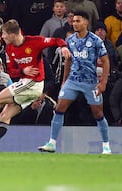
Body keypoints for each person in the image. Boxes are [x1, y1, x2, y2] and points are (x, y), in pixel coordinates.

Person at [0, 19, 70, 154]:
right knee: (5, 114)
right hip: (25, 82)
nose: (2, 37)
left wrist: (64, 46)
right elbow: (11, 71)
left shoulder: (34, 41)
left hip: (34, 83)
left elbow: (56, 40)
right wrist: (23, 71)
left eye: (3, 34)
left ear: (13, 34)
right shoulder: (9, 48)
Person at [38, 10, 111, 154]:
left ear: (86, 22)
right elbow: (69, 60)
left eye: (78, 21)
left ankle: (106, 145)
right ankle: (52, 143)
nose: (74, 23)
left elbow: (106, 61)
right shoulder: (70, 40)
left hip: (90, 82)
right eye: (73, 21)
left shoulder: (96, 40)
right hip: (73, 80)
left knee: (98, 114)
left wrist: (103, 83)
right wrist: (65, 81)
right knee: (59, 109)